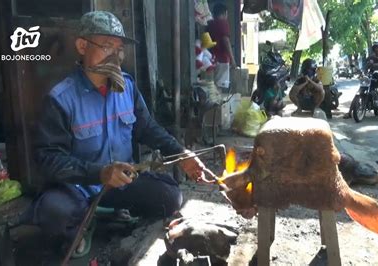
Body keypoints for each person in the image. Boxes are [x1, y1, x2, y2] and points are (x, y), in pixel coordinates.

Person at [30, 11, 206, 258]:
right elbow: (49, 159)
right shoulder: (61, 99)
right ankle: (83, 227)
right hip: (78, 187)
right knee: (53, 213)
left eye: (119, 48)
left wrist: (181, 153)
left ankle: (112, 217)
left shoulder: (127, 86)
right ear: (82, 46)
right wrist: (99, 173)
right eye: (106, 46)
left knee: (171, 196)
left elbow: (147, 128)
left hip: (121, 182)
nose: (116, 55)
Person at [207, 3, 237, 91]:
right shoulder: (223, 23)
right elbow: (226, 41)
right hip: (222, 59)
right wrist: (232, 59)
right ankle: (218, 104)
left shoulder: (210, 24)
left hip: (211, 59)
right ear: (224, 13)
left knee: (213, 86)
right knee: (220, 88)